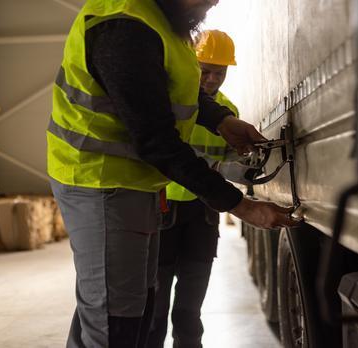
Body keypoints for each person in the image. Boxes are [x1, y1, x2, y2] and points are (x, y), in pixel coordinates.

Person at [47, 0, 298, 347]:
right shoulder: (125, 26)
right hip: (101, 182)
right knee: (114, 324)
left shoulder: (163, 21)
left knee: (130, 306)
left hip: (134, 184)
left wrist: (221, 120)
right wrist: (241, 206)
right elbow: (157, 140)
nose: (214, 1)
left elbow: (173, 87)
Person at [147, 30, 241, 348]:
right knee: (155, 308)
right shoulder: (168, 103)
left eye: (220, 72)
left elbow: (230, 160)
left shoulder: (228, 114)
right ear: (192, 64)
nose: (212, 79)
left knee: (190, 308)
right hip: (163, 210)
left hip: (203, 214)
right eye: (205, 70)